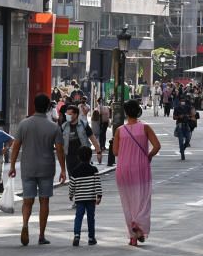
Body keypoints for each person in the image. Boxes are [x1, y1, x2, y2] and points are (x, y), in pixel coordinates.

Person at [9, 94, 66, 245]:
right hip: (46, 167)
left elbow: (16, 146)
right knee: (44, 200)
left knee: (27, 200)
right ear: (48, 107)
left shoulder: (24, 124)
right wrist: (63, 169)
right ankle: (41, 234)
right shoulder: (53, 127)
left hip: (28, 166)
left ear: (34, 105)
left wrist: (13, 165)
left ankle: (25, 224)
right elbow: (60, 150)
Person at [113, 100, 160, 246]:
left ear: (126, 113)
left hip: (123, 168)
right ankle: (138, 224)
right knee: (143, 199)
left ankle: (133, 236)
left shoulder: (120, 130)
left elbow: (115, 152)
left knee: (127, 202)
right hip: (141, 166)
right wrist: (149, 155)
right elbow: (157, 146)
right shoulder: (145, 127)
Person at [69, 145, 103, 246]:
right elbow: (97, 183)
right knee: (90, 217)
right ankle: (91, 237)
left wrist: (71, 194)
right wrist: (99, 196)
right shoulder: (94, 170)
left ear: (78, 157)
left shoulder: (75, 171)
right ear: (90, 157)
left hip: (79, 199)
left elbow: (72, 184)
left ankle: (76, 235)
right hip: (90, 199)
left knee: (78, 217)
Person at [61, 105, 102, 175]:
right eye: (66, 114)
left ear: (76, 114)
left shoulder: (84, 124)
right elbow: (60, 143)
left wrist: (98, 152)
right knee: (72, 177)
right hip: (69, 157)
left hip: (83, 156)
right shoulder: (64, 126)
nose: (67, 116)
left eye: (70, 114)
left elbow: (92, 138)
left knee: (84, 177)